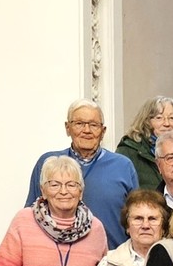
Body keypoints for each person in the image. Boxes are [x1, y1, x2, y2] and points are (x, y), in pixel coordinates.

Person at [26, 98, 136, 246]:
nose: (87, 130)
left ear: (103, 131)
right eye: (79, 124)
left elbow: (137, 217)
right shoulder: (49, 164)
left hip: (112, 255)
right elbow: (31, 215)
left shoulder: (123, 166)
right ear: (67, 128)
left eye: (93, 125)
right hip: (56, 254)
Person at [116, 96, 173, 191]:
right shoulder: (128, 151)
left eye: (171, 118)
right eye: (159, 118)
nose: (167, 123)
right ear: (146, 122)